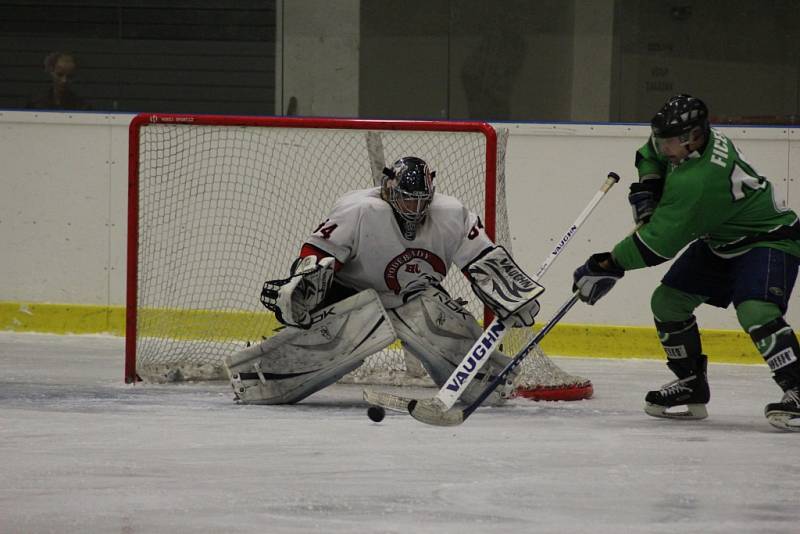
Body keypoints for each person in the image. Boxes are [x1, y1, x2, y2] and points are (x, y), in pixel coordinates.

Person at [225, 156, 543, 406]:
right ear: (390, 190)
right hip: (352, 295)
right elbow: (319, 252)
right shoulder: (360, 209)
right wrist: (305, 281)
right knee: (347, 334)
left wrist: (508, 293)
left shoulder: (452, 213)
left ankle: (489, 383)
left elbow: (482, 260)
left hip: (413, 298)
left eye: (422, 201)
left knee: (432, 317)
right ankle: (263, 377)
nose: (415, 210)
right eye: (407, 200)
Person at [572, 94, 800, 431]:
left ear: (693, 137)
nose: (663, 146)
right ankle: (691, 383)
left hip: (769, 238)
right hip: (722, 238)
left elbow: (656, 246)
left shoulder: (699, 181)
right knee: (668, 302)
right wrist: (650, 185)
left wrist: (607, 264)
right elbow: (650, 150)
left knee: (755, 309)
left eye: (670, 143)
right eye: (662, 138)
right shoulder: (686, 142)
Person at [26, 52, 92, 110]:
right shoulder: (36, 104)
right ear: (51, 72)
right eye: (59, 75)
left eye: (70, 77)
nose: (64, 80)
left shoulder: (82, 107)